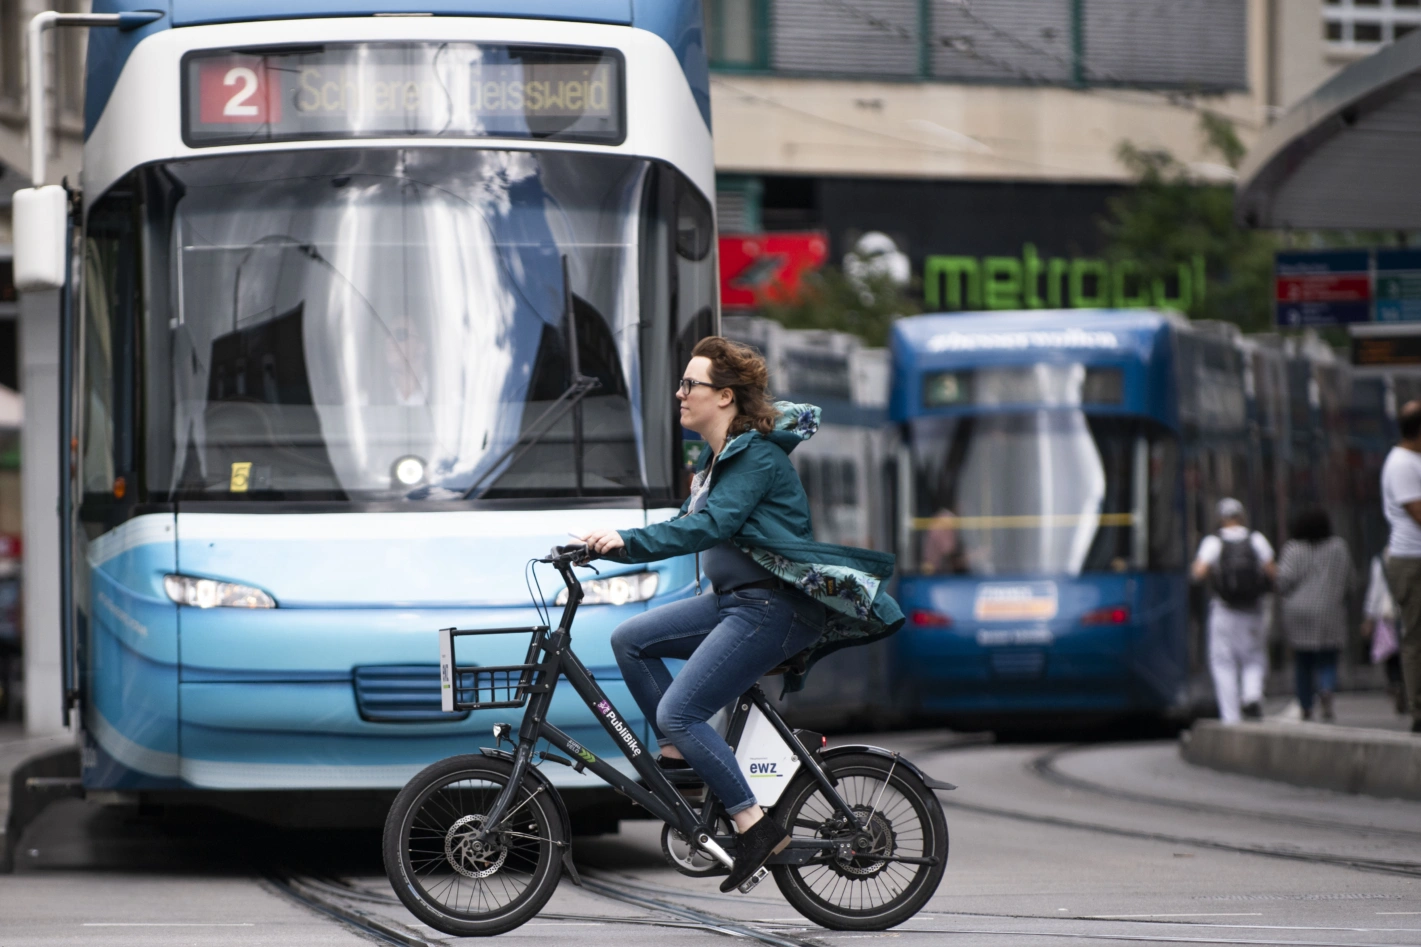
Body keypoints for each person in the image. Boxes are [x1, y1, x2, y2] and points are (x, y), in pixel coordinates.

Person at [580, 336, 903, 893]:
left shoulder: (754, 456)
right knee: (630, 640)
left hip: (773, 607)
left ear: (725, 396)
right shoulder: (714, 459)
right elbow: (690, 520)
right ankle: (685, 755)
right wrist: (592, 547)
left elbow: (710, 526)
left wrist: (626, 542)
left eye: (690, 385)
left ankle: (754, 827)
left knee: (681, 709)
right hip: (735, 603)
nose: (679, 394)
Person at [1191, 498, 1276, 723]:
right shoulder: (1256, 539)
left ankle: (1230, 718)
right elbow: (1272, 571)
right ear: (1242, 516)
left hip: (1224, 610)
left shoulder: (1213, 542)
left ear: (1221, 518)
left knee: (1223, 663)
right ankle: (1252, 695)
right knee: (1254, 657)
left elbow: (1198, 572)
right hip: (1253, 610)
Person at [1275, 507, 1354, 722]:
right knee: (1328, 656)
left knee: (1303, 661)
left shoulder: (1293, 549)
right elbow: (1349, 581)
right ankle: (1326, 689)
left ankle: (1306, 705)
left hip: (1298, 612)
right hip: (1330, 609)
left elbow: (1282, 581)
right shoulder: (1339, 548)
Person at [1382, 399, 1421, 733]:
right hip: (1412, 560)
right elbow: (1418, 512)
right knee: (1415, 636)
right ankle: (1418, 710)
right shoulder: (1402, 465)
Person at [1362, 554, 1406, 715]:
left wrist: (1369, 617)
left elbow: (1376, 591)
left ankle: (1395, 683)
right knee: (1409, 651)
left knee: (1390, 654)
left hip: (1387, 615)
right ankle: (1404, 685)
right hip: (1407, 612)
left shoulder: (1381, 560)